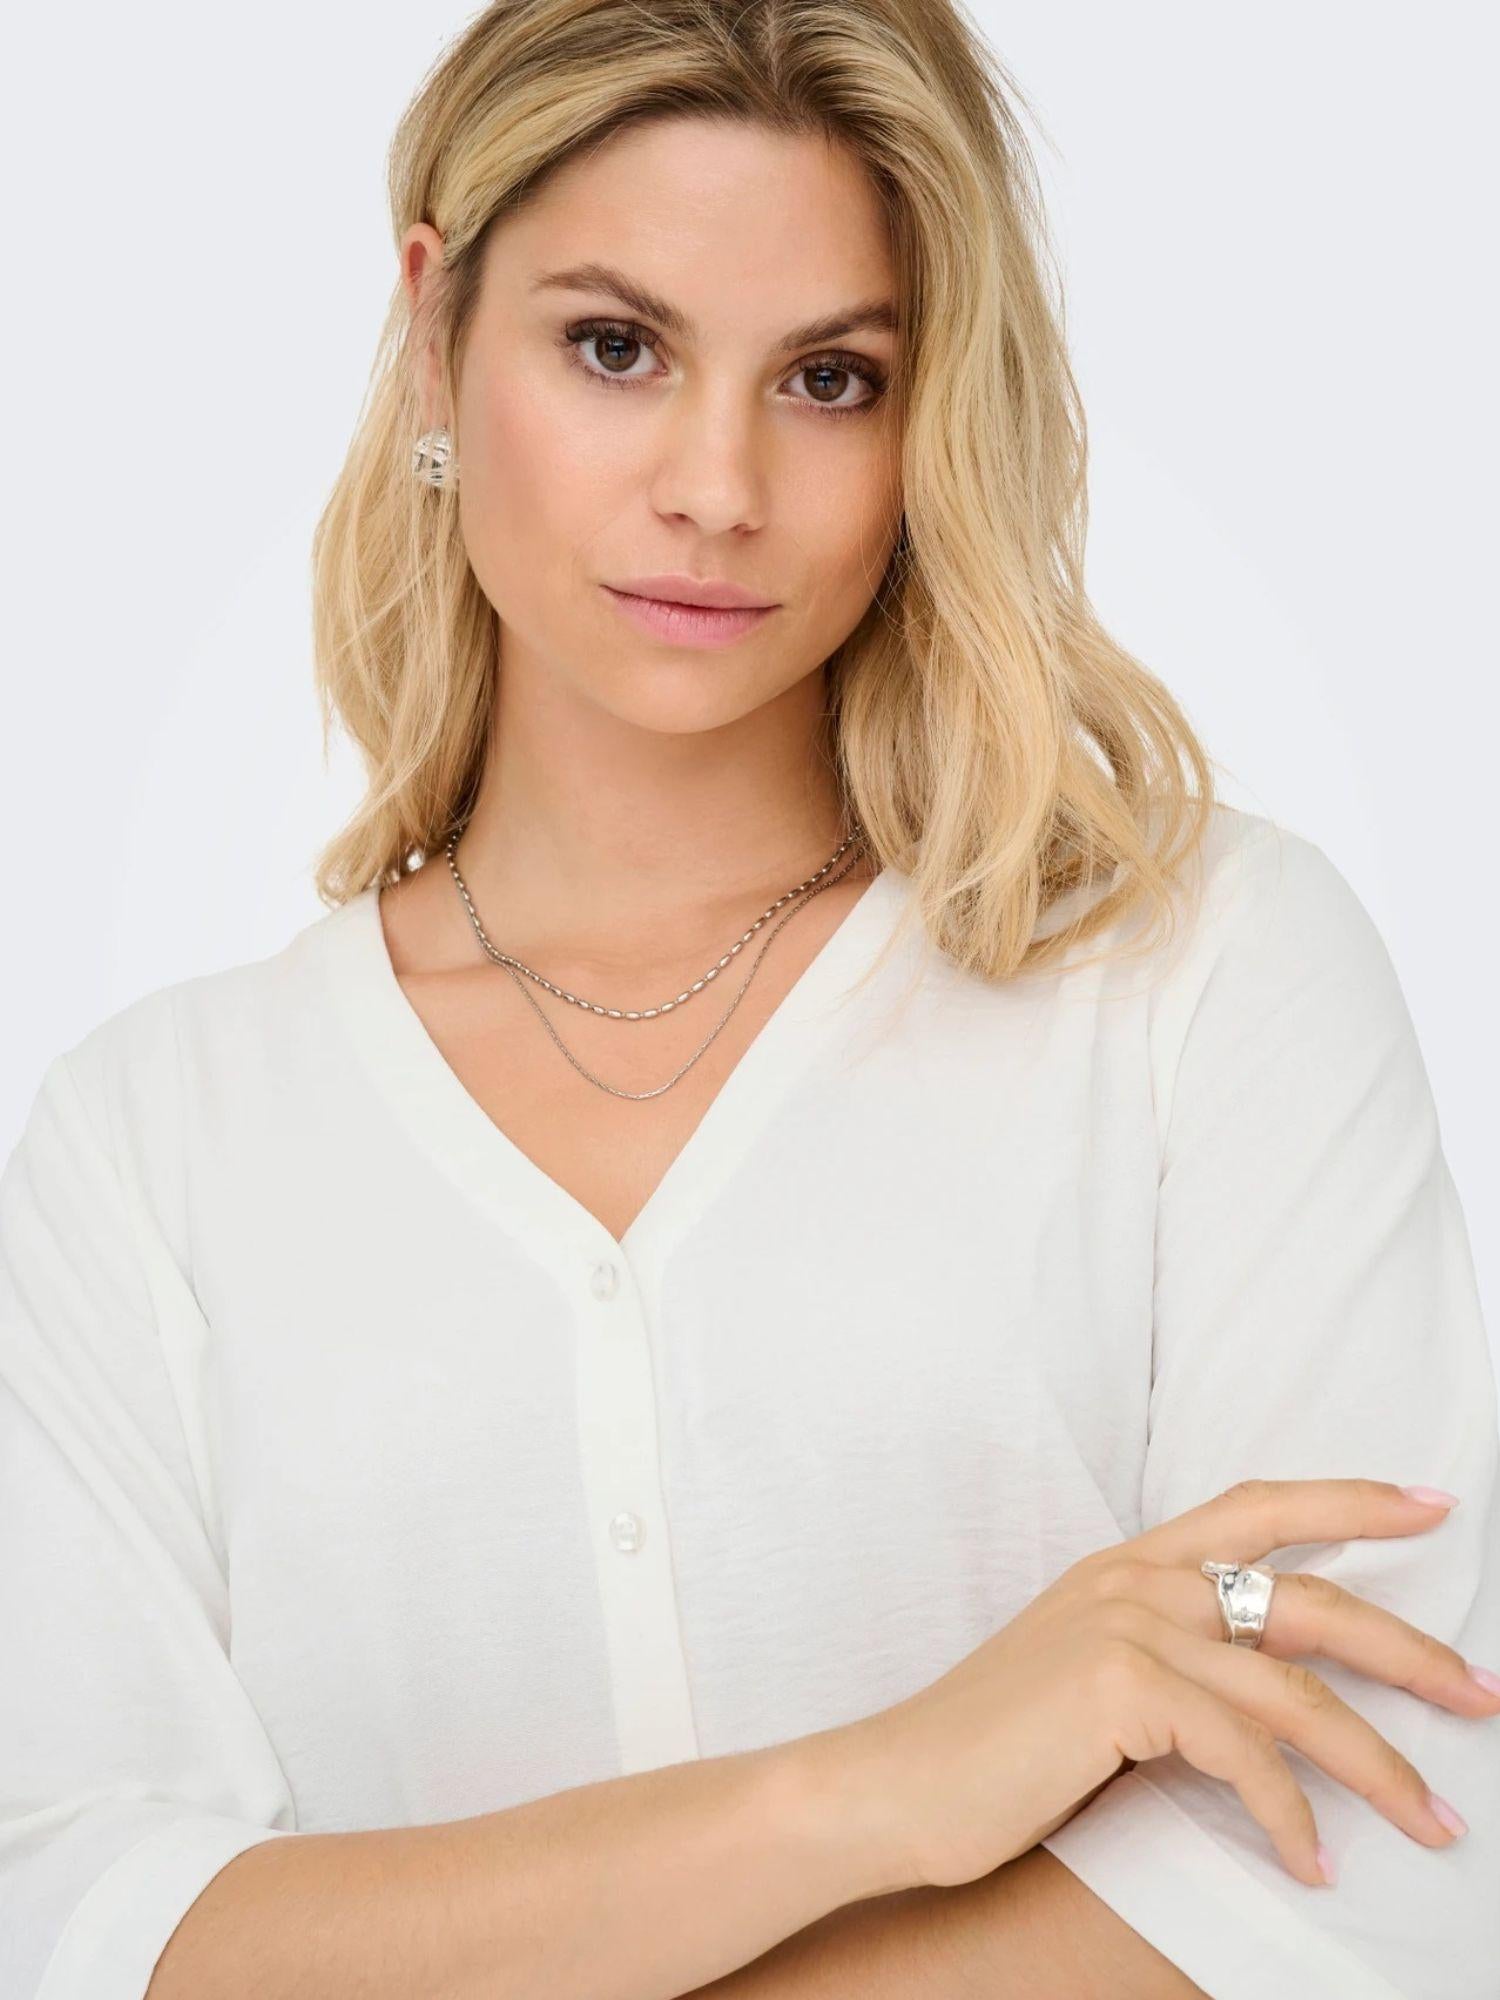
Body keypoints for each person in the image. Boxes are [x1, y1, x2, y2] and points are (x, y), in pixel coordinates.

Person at [3, 3, 1496, 1996]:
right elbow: (88, 1921)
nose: (717, 486)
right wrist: (876, 1792)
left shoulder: (1200, 972)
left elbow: (1381, 1844)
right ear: (437, 332)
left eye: (828, 378)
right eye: (616, 348)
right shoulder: (152, 1145)